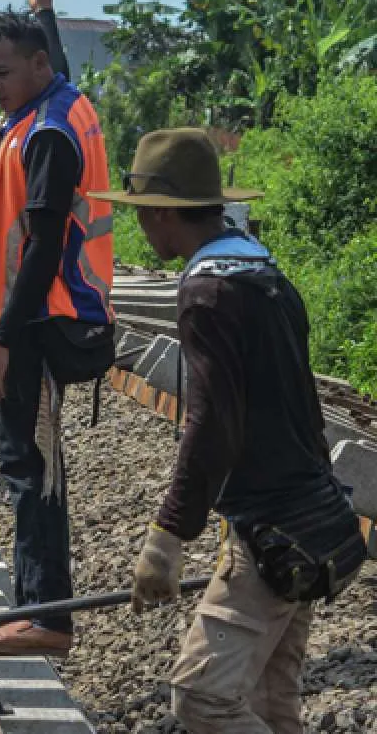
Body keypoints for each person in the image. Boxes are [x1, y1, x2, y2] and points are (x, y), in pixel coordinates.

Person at [91, 129, 365, 734]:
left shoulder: (207, 292)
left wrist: (167, 537)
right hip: (314, 514)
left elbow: (212, 421)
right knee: (272, 701)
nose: (142, 229)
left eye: (142, 216)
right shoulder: (267, 278)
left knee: (203, 697)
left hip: (271, 530)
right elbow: (300, 404)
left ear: (164, 214)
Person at [0, 8, 113, 658]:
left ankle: (48, 616)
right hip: (48, 317)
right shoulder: (61, 100)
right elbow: (58, 64)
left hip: (45, 322)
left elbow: (44, 245)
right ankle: (34, 607)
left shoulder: (48, 131)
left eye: (1, 72)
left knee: (34, 469)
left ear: (36, 67)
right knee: (28, 464)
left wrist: (1, 338)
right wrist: (45, 7)